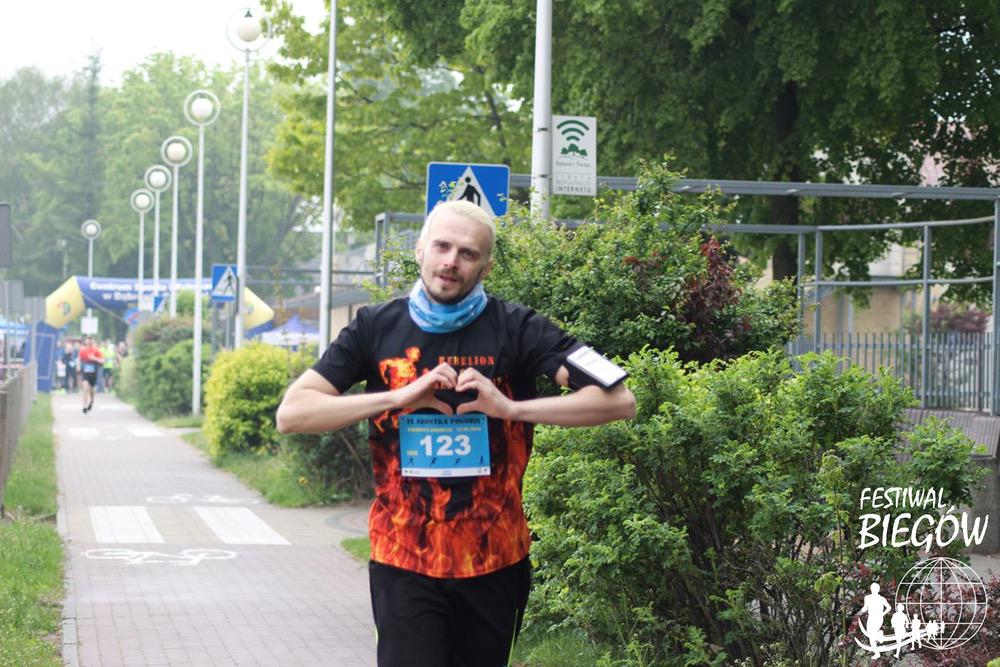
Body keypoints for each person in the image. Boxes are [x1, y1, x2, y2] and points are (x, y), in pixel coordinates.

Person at [276, 200, 636, 667]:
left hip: (494, 558)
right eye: (442, 247)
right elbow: (293, 413)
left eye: (468, 253)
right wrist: (399, 397)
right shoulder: (375, 327)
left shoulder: (518, 328)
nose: (451, 261)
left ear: (486, 267)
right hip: (403, 555)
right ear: (421, 249)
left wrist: (510, 408)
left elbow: (618, 400)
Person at [78, 336, 105, 413]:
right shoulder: (83, 350)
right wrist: (78, 366)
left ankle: (92, 400)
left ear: (93, 342)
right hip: (86, 373)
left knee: (92, 390)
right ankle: (85, 405)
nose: (89, 343)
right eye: (88, 341)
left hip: (94, 373)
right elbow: (79, 359)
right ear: (86, 342)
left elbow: (103, 361)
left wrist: (94, 358)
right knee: (85, 387)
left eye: (91, 341)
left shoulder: (96, 351)